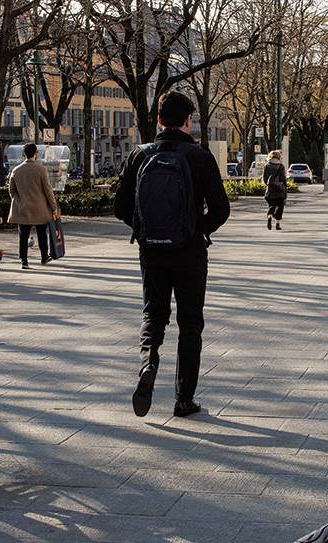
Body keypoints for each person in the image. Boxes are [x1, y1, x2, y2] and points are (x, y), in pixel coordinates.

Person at [113, 91, 230, 419]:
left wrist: (144, 227)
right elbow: (221, 209)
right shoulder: (199, 156)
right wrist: (198, 229)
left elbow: (120, 206)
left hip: (152, 252)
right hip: (190, 253)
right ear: (188, 121)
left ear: (159, 120)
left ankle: (148, 365)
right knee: (190, 323)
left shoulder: (139, 155)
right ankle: (183, 399)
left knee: (153, 313)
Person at [8, 143, 61, 269]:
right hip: (40, 208)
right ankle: (44, 257)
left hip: (23, 208)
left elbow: (11, 190)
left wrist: (19, 200)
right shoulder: (41, 169)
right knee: (42, 233)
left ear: (24, 154)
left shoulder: (16, 170)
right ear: (35, 153)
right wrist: (54, 208)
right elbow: (48, 190)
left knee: (23, 235)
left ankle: (24, 261)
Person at [262, 150, 288, 230]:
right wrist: (284, 186)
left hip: (270, 190)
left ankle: (269, 215)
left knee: (272, 205)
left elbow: (264, 179)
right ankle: (277, 224)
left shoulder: (266, 166)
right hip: (279, 190)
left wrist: (269, 184)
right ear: (279, 157)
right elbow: (283, 178)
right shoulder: (281, 166)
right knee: (280, 207)